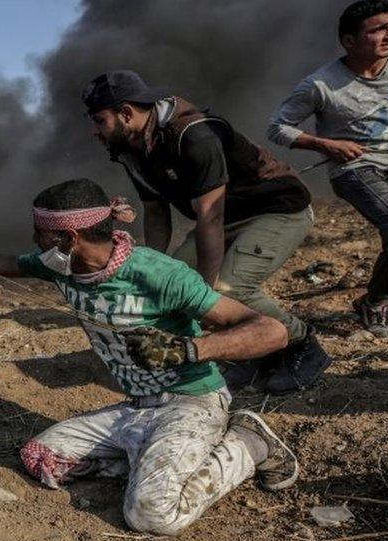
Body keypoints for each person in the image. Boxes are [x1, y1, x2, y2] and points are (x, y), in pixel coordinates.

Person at [0, 178, 298, 536]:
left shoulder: (158, 274)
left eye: (41, 235)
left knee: (151, 515)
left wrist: (188, 349)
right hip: (135, 410)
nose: (35, 243)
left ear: (70, 238)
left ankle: (248, 443)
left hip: (191, 402)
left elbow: (271, 331)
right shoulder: (61, 266)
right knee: (41, 458)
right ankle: (149, 462)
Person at [81, 70, 331, 395]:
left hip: (277, 208)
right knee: (173, 281)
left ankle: (302, 343)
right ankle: (253, 351)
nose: (94, 131)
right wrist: (151, 271)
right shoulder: (130, 146)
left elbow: (210, 216)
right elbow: (156, 212)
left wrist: (207, 294)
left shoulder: (195, 135)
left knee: (226, 290)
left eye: (100, 120)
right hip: (224, 219)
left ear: (126, 113)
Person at [267, 0, 388, 336]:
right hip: (355, 167)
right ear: (349, 41)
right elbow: (278, 127)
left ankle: (374, 301)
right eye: (378, 29)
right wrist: (327, 144)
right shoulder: (321, 84)